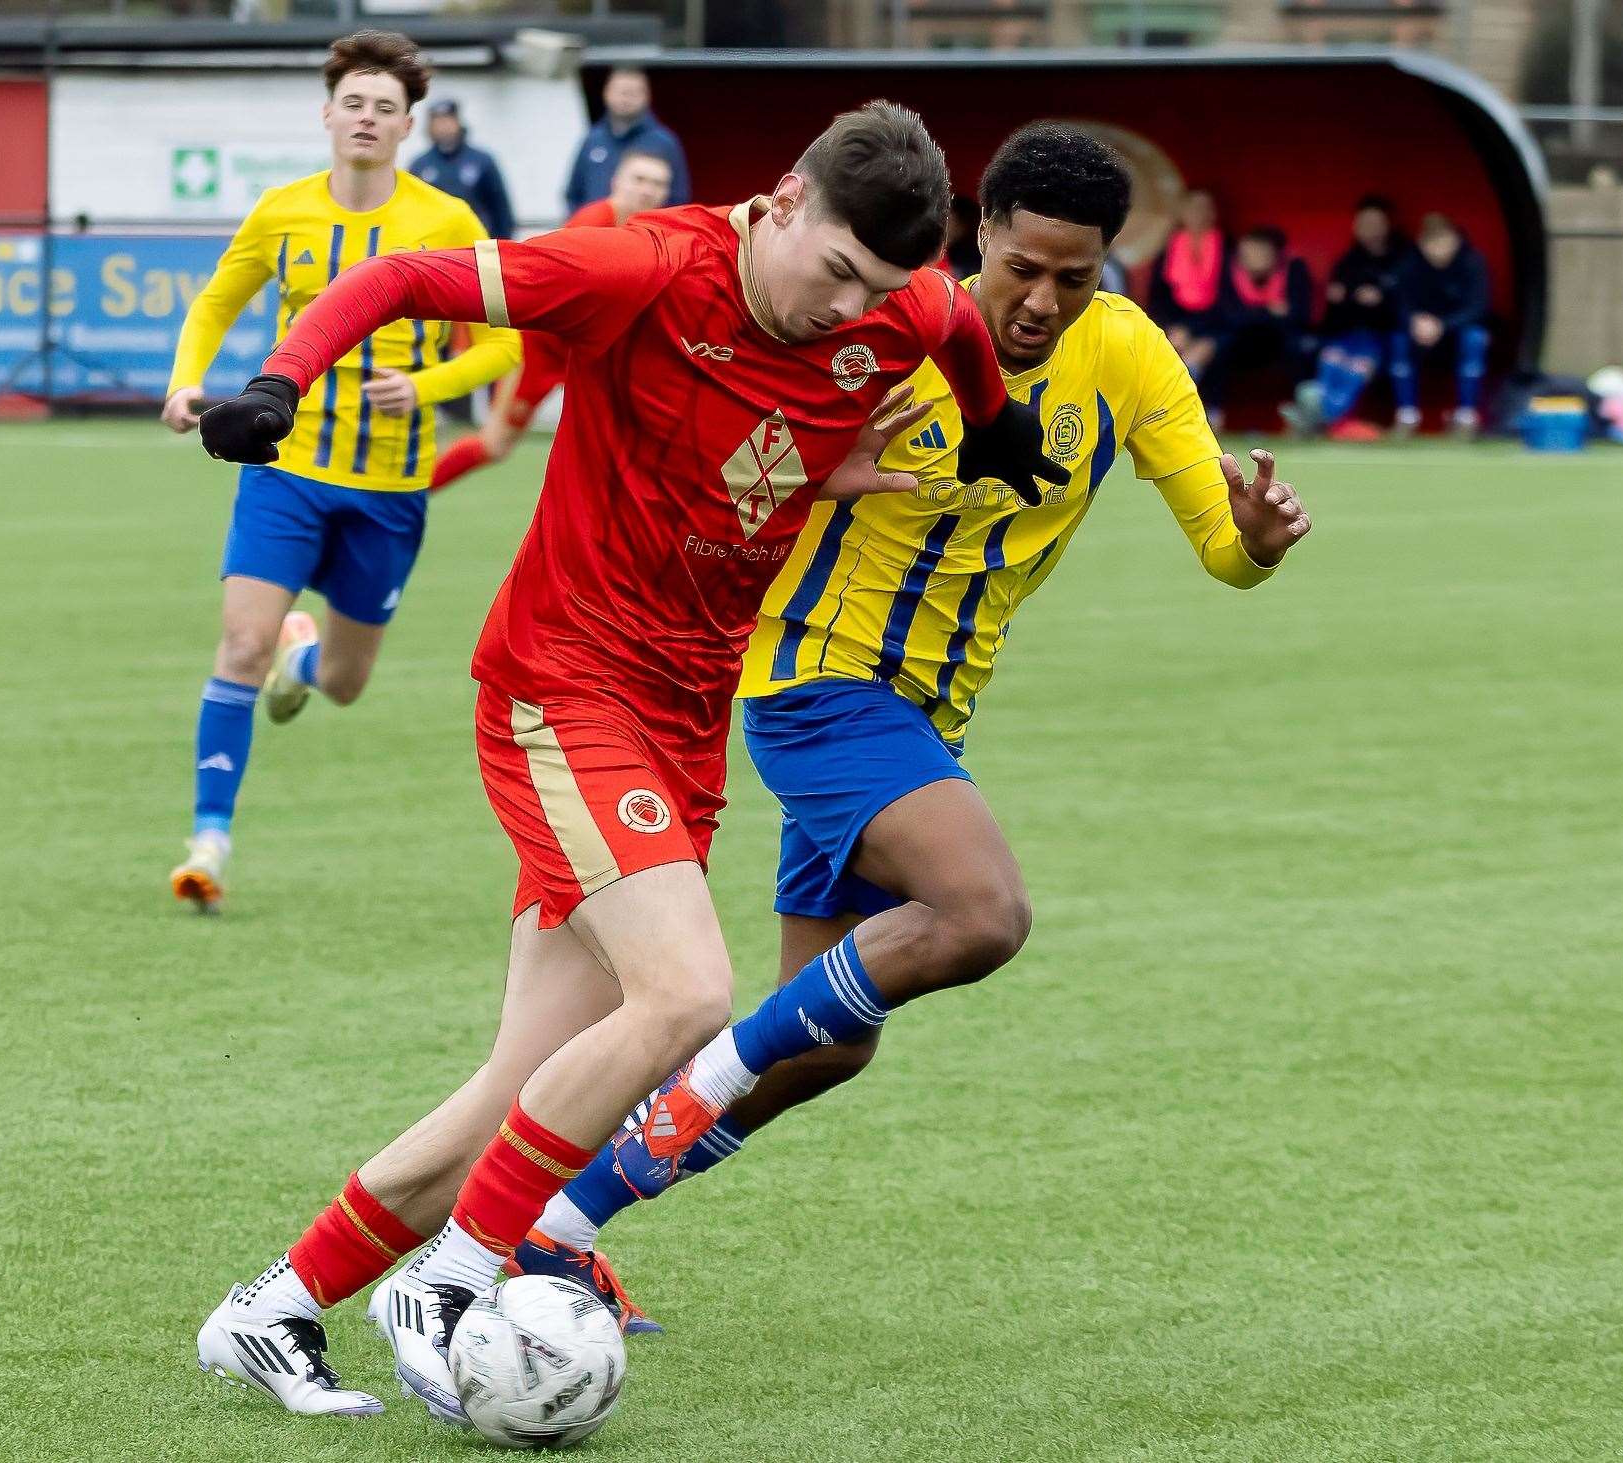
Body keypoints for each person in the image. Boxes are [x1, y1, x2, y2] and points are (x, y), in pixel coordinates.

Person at [191, 100, 1066, 1420]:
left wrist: (991, 424)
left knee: (529, 1081)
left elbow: (945, 324)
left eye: (874, 289)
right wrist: (283, 379)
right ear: (780, 202)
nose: (848, 311)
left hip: (680, 718)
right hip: (561, 686)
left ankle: (274, 1304)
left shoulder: (897, 307)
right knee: (684, 993)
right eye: (832, 272)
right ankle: (452, 1278)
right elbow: (400, 276)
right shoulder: (640, 266)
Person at [511, 124, 1312, 1306]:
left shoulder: (1129, 356)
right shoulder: (886, 324)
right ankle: (588, 1171)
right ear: (975, 232)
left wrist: (1251, 540)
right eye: (1020, 267)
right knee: (980, 911)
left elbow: (1220, 544)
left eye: (1072, 278)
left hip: (924, 720)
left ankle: (552, 1221)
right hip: (812, 680)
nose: (1039, 301)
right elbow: (727, 463)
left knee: (827, 1042)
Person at [159, 30, 522, 912]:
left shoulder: (445, 221)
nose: (367, 118)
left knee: (347, 686)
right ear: (327, 114)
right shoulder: (282, 210)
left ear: (408, 127)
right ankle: (208, 837)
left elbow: (507, 341)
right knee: (241, 641)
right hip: (285, 466)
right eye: (353, 103)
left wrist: (430, 383)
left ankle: (309, 652)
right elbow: (217, 300)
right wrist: (186, 382)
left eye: (384, 108)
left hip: (392, 486)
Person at [429, 148, 674, 493]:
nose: (648, 190)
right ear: (617, 181)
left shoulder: (657, 234)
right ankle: (407, 494)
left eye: (658, 183)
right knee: (495, 444)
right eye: (640, 179)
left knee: (626, 445)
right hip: (541, 350)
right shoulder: (593, 223)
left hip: (591, 356)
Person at [1285, 194, 1412, 437]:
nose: (1369, 229)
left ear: (1388, 224)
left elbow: (1403, 305)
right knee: (1332, 357)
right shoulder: (1348, 261)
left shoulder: (1404, 259)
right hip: (1349, 335)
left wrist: (1378, 299)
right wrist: (1349, 299)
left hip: (1386, 338)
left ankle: (1325, 416)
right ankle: (1319, 408)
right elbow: (1337, 310)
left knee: (1357, 365)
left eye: (1375, 222)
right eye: (1363, 223)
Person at [1201, 225, 1314, 430]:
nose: (1251, 257)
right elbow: (1228, 316)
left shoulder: (1294, 269)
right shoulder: (1230, 272)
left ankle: (1305, 413)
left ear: (1274, 253)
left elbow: (1299, 315)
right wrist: (1269, 311)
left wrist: (1254, 314)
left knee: (1302, 348)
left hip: (1280, 339)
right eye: (1246, 253)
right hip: (1243, 341)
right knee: (1217, 347)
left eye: (1258, 251)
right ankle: (1213, 413)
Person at [1396, 212, 1490, 437]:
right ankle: (1407, 417)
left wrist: (1441, 325)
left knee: (1475, 338)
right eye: (1431, 242)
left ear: (1456, 239)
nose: (1438, 248)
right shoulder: (1409, 263)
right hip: (1420, 336)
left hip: (1456, 334)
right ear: (1421, 243)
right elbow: (1400, 305)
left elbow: (1478, 308)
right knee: (1398, 340)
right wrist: (1415, 322)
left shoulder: (1473, 262)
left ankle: (1466, 417)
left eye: (1444, 240)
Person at [565, 66, 691, 214]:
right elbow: (574, 193)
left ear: (647, 96)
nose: (625, 98)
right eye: (621, 92)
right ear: (606, 93)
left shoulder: (664, 142)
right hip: (593, 230)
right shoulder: (593, 138)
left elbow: (678, 197)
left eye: (633, 93)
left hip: (643, 231)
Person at [408, 99, 516, 241]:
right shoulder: (420, 165)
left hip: (478, 242)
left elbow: (502, 212)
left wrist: (502, 248)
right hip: (435, 247)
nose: (443, 126)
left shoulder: (483, 161)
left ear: (458, 122)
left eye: (448, 120)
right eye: (438, 121)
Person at [1147, 188, 1226, 381]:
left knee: (1200, 353)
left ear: (1213, 213)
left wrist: (1192, 330)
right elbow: (1157, 297)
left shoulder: (1228, 248)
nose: (1197, 213)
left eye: (1203, 208)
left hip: (1215, 324)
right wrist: (1172, 327)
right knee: (1166, 348)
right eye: (1191, 207)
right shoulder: (1168, 249)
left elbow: (1230, 299)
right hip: (1175, 324)